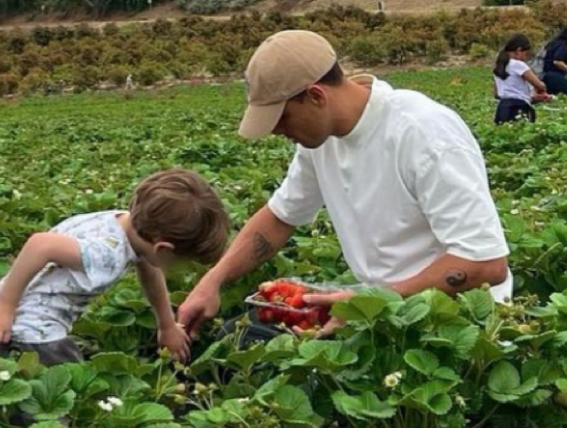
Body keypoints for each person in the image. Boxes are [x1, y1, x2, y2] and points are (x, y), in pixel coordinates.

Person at [177, 30, 512, 342]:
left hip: (453, 318)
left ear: (316, 96)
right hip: (375, 305)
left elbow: (485, 264)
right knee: (238, 335)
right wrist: (213, 280)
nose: (277, 131)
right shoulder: (319, 140)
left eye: (281, 119)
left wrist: (370, 303)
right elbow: (281, 217)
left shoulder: (423, 134)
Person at [0, 169, 230, 366]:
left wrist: (166, 325)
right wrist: (6, 306)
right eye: (181, 263)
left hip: (15, 309)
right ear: (163, 249)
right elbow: (40, 245)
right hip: (36, 330)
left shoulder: (126, 222)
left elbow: (150, 270)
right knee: (67, 393)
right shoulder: (107, 255)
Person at [493, 34, 549, 124]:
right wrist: (543, 91)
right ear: (519, 50)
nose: (525, 58)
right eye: (526, 54)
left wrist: (533, 97)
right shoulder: (518, 65)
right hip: (519, 107)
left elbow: (496, 94)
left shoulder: (499, 66)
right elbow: (539, 84)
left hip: (502, 109)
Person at [540, 27, 567, 95]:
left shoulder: (556, 43)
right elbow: (557, 62)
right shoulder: (562, 44)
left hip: (548, 76)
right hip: (553, 75)